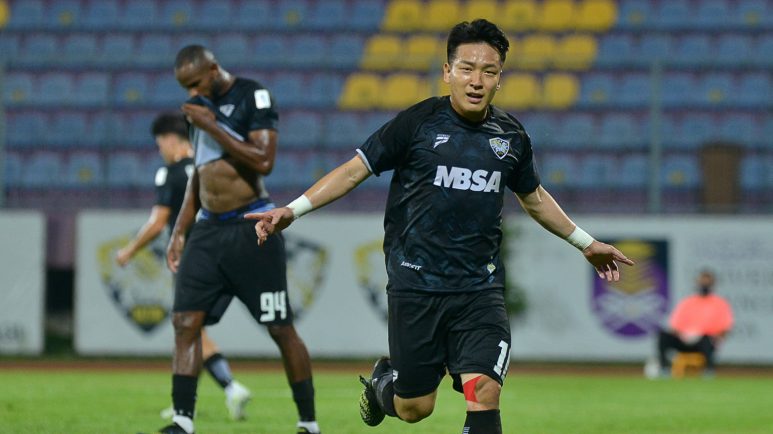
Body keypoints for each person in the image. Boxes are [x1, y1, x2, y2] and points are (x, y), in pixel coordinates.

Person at [247, 19, 633, 434]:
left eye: (488, 71)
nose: (476, 81)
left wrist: (585, 242)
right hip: (417, 286)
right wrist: (293, 210)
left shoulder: (510, 136)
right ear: (447, 72)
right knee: (415, 407)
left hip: (479, 289)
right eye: (466, 69)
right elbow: (354, 170)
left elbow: (533, 197)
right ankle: (382, 384)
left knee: (484, 389)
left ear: (500, 79)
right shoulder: (417, 123)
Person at [155, 46, 320, 434]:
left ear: (213, 69)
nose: (192, 93)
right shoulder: (199, 109)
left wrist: (212, 125)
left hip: (251, 227)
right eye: (186, 87)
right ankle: (182, 421)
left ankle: (308, 423)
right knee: (185, 322)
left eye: (196, 83)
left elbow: (264, 160)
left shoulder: (252, 96)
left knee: (280, 328)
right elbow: (199, 176)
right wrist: (179, 231)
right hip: (207, 230)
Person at [115, 112, 252, 422]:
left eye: (159, 144)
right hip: (225, 255)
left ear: (169, 140)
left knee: (188, 328)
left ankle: (230, 387)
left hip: (192, 259)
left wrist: (129, 251)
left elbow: (158, 221)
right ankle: (186, 402)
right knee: (193, 329)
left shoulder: (171, 172)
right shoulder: (210, 165)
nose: (160, 150)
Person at [655, 269, 734, 376]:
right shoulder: (688, 302)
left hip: (705, 341)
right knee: (663, 335)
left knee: (707, 339)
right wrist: (685, 335)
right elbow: (674, 326)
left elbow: (725, 328)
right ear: (697, 283)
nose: (704, 285)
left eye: (707, 283)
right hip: (684, 340)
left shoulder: (720, 303)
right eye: (702, 282)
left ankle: (709, 371)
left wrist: (714, 337)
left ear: (712, 284)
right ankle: (664, 369)